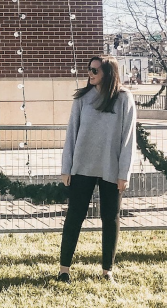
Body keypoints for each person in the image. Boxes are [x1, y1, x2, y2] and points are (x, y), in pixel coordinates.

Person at [56, 55, 136, 283]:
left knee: (110, 218)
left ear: (108, 73)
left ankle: (107, 271)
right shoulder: (82, 98)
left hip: (111, 168)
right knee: (74, 216)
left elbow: (128, 139)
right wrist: (67, 166)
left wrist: (124, 173)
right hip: (82, 167)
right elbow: (71, 133)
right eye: (89, 70)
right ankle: (64, 270)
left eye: (94, 71)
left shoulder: (123, 99)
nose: (89, 74)